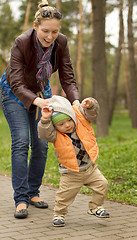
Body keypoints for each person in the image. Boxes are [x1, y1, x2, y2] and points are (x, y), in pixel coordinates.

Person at [0, 0, 79, 219]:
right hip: (14, 93)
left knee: (42, 145)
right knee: (21, 142)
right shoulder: (21, 42)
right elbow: (16, 81)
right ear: (35, 26)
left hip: (41, 93)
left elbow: (67, 76)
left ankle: (33, 192)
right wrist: (35, 101)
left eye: (55, 31)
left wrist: (75, 101)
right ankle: (21, 199)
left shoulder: (61, 43)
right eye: (45, 31)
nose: (50, 36)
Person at [38, 95, 110, 227]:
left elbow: (92, 114)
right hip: (70, 173)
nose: (66, 125)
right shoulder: (54, 134)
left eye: (69, 121)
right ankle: (59, 214)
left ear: (73, 118)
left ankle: (95, 207)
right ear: (55, 126)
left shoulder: (82, 122)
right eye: (60, 124)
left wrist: (90, 105)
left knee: (102, 185)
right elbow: (44, 134)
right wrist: (45, 119)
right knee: (64, 196)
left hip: (90, 168)